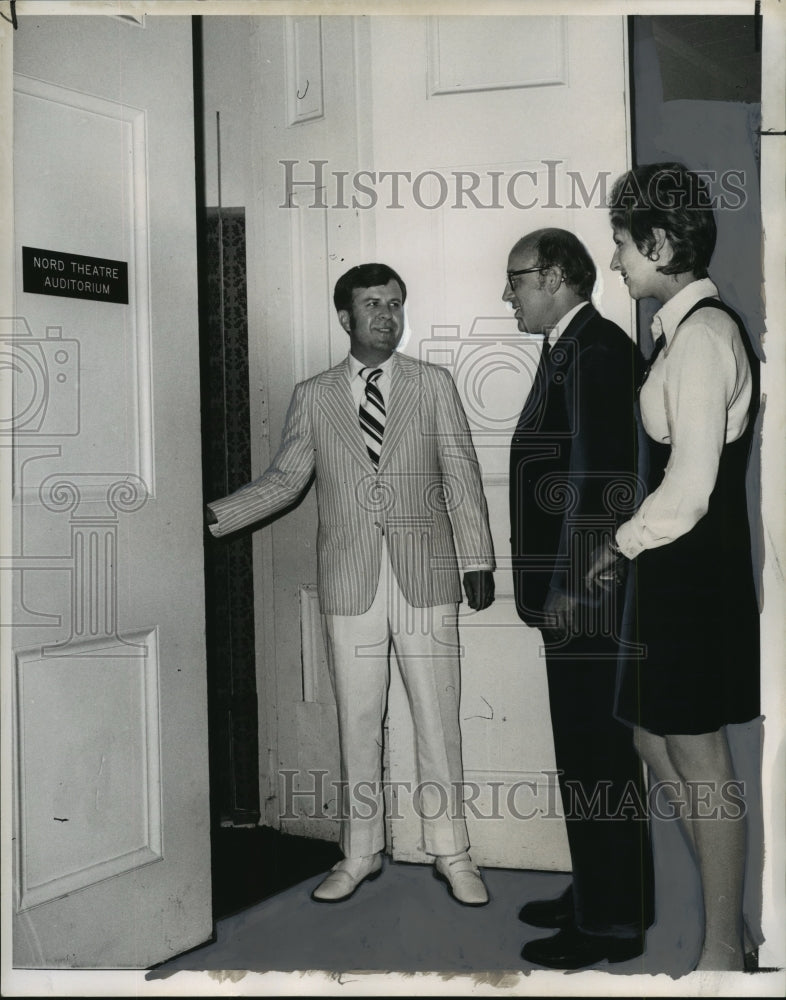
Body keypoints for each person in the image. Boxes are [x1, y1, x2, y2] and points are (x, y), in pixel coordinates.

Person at [207, 262, 495, 906]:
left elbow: (462, 475)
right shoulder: (313, 396)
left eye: (396, 303)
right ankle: (359, 852)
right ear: (346, 317)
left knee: (437, 721)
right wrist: (212, 517)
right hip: (350, 581)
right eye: (373, 305)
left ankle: (454, 853)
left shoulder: (434, 384)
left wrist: (477, 559)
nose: (388, 316)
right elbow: (285, 480)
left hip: (427, 578)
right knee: (358, 722)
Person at [586, 163, 761, 971]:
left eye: (623, 244)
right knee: (655, 743)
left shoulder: (703, 337)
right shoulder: (684, 333)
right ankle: (735, 923)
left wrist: (619, 545)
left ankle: (725, 947)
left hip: (691, 575)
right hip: (675, 573)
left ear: (658, 242)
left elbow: (688, 490)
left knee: (700, 758)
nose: (616, 261)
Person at [505, 228, 654, 969]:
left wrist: (566, 588)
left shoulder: (595, 351)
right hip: (579, 592)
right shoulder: (573, 344)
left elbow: (599, 482)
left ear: (556, 275)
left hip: (585, 597)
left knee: (595, 757)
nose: (509, 294)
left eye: (517, 280)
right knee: (590, 756)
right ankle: (602, 891)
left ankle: (611, 926)